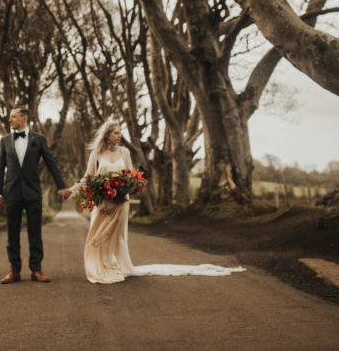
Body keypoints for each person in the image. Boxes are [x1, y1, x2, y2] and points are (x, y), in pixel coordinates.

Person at [69, 120, 245, 284]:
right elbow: (88, 177)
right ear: (107, 135)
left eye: (120, 132)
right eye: (116, 132)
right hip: (104, 202)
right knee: (98, 236)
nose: (119, 135)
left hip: (121, 202)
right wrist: (71, 190)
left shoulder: (125, 152)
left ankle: (113, 265)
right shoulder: (96, 153)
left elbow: (130, 175)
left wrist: (130, 186)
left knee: (116, 237)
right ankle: (98, 267)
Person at [0, 106, 70, 284]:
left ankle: (36, 270)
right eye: (10, 117)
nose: (10, 119)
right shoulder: (4, 140)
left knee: (35, 233)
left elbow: (51, 163)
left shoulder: (39, 139)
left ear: (24, 118)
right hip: (12, 193)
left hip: (33, 192)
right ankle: (14, 271)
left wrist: (61, 186)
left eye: (13, 116)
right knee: (12, 234)